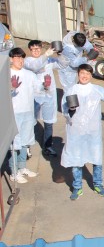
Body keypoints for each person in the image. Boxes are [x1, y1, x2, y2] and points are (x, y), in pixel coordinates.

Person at [61, 64, 104, 200]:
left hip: (93, 132)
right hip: (76, 132)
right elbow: (64, 109)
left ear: (91, 75)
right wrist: (70, 111)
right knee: (76, 160)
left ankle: (98, 184)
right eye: (82, 73)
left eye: (87, 73)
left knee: (96, 159)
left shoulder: (96, 90)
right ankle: (77, 187)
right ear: (78, 74)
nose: (84, 76)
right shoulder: (71, 90)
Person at [8, 47, 50, 183]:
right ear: (11, 59)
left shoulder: (29, 74)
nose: (20, 60)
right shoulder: (5, 74)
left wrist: (45, 85)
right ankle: (13, 172)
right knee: (15, 144)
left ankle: (22, 168)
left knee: (25, 142)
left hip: (28, 112)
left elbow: (38, 88)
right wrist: (11, 89)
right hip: (13, 114)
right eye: (17, 57)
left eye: (22, 58)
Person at [24, 40, 64, 156]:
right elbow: (36, 67)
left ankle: (47, 146)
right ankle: (26, 146)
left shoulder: (49, 60)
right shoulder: (28, 61)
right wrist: (45, 55)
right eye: (33, 49)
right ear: (30, 50)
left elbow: (63, 65)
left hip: (48, 95)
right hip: (35, 95)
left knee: (48, 122)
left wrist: (61, 54)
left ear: (41, 48)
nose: (36, 51)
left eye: (38, 49)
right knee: (30, 121)